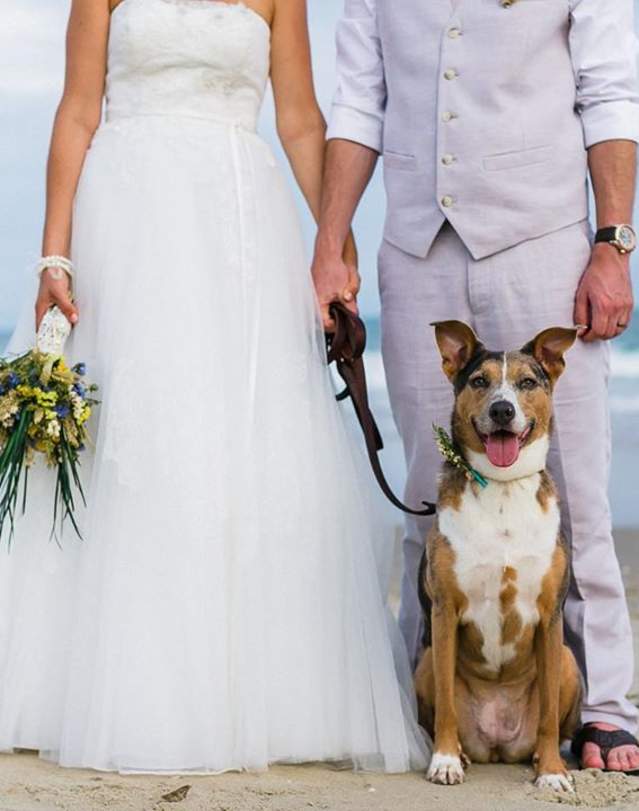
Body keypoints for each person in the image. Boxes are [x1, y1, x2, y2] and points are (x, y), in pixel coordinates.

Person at [0, 0, 429, 774]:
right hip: (128, 215)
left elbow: (299, 120)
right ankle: (111, 684)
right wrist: (52, 255)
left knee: (236, 434)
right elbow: (75, 111)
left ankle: (253, 690)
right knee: (140, 432)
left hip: (238, 219)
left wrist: (335, 244)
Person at [312, 0, 639, 773]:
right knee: (427, 495)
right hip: (414, 250)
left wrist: (612, 242)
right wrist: (330, 246)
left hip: (544, 244)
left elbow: (608, 90)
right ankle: (418, 707)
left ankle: (603, 711)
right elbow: (360, 100)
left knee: (576, 497)